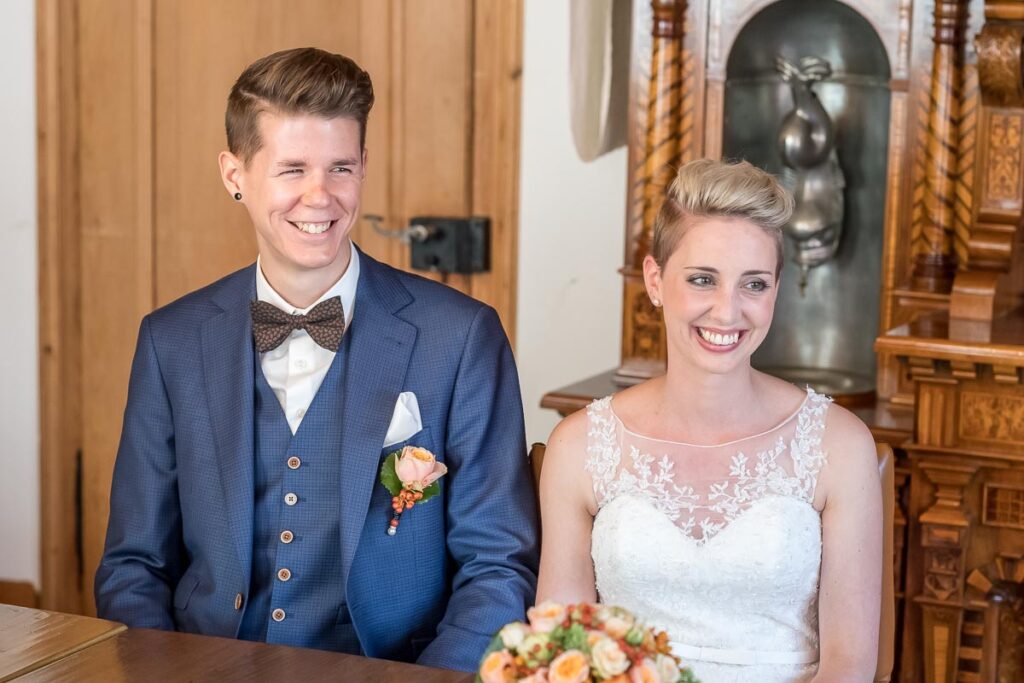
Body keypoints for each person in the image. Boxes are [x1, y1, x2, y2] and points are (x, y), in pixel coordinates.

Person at [95, 47, 539, 672]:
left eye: (340, 168)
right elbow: (133, 565)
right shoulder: (172, 341)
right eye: (291, 169)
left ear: (364, 167)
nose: (320, 196)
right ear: (234, 174)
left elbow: (497, 563)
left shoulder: (461, 337)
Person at [536, 159, 881, 681]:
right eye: (702, 279)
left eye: (754, 285)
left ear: (776, 290)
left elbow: (849, 666)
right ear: (654, 279)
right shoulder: (579, 445)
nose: (727, 311)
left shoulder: (840, 445)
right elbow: (562, 649)